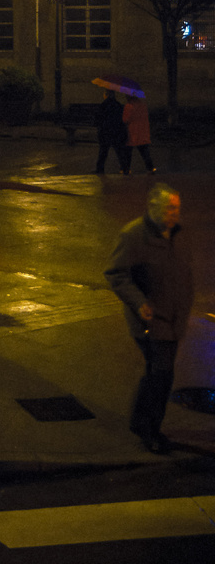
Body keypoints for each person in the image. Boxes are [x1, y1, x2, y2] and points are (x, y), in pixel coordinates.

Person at [104, 183, 193, 453]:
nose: (174, 214)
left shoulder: (177, 234)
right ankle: (149, 430)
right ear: (152, 207)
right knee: (162, 375)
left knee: (157, 373)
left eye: (176, 208)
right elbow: (116, 274)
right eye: (169, 208)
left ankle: (142, 423)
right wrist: (139, 302)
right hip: (151, 320)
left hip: (174, 318)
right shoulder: (134, 235)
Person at [94, 90, 128, 174]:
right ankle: (124, 168)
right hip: (116, 131)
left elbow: (98, 119)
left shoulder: (103, 105)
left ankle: (100, 169)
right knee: (119, 151)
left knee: (103, 152)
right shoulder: (118, 105)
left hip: (105, 132)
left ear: (106, 95)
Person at [122, 94, 156, 173]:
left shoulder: (129, 106)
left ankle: (126, 169)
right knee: (144, 152)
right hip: (143, 131)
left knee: (128, 152)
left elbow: (125, 119)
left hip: (132, 132)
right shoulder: (143, 106)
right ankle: (150, 168)